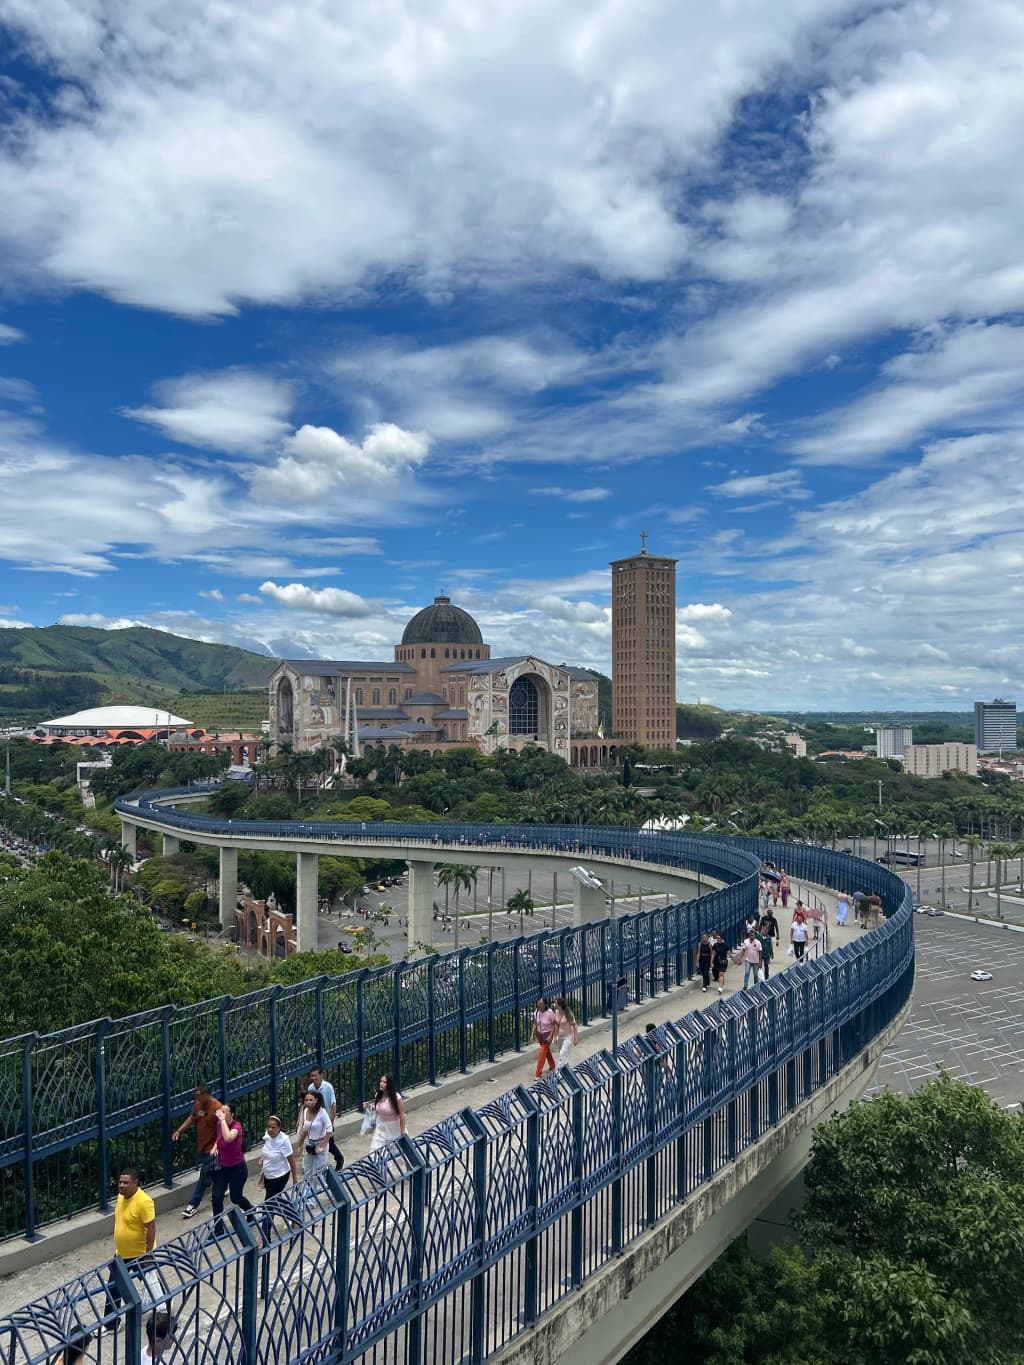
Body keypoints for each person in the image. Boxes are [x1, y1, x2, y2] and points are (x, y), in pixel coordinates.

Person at [173, 1083, 222, 1219]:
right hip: (202, 1146)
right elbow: (192, 1117)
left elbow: (223, 1128)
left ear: (207, 1094)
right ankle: (223, 1185)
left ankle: (193, 1205)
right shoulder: (198, 1105)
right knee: (215, 1173)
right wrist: (179, 1130)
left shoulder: (217, 1108)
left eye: (199, 1097)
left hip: (211, 1149)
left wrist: (216, 1146)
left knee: (203, 1177)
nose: (197, 1099)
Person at [210, 1101, 254, 1234]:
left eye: (225, 1112)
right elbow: (220, 1139)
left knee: (235, 1197)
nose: (221, 1114)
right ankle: (218, 1229)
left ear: (232, 1114)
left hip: (237, 1168)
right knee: (216, 1197)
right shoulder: (219, 1124)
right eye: (221, 1111)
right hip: (223, 1168)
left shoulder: (237, 1127)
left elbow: (228, 1137)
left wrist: (223, 1120)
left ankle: (250, 1210)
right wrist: (214, 1148)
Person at [307, 1065, 344, 1173]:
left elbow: (333, 1105)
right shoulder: (311, 1088)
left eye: (316, 1075)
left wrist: (331, 1121)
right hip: (315, 1120)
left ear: (321, 1075)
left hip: (325, 1119)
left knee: (329, 1142)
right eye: (312, 1076)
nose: (314, 1078)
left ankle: (339, 1158)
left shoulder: (328, 1087)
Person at [258, 1114, 297, 1199]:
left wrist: (295, 1179)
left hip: (280, 1175)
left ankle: (267, 1212)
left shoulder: (284, 1141)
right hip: (268, 1176)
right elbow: (267, 1149)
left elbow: (291, 1161)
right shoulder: (268, 1135)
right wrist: (262, 1157)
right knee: (276, 1199)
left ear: (279, 1128)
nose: (270, 1129)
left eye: (273, 1127)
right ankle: (289, 1211)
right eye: (268, 1127)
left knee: (269, 1201)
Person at [298, 1089, 333, 1177]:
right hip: (310, 1142)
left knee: (318, 1170)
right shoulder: (306, 1111)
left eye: (311, 1100)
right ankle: (307, 1189)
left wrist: (323, 1145)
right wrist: (300, 1144)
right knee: (307, 1169)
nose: (308, 1102)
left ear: (316, 1100)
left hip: (320, 1141)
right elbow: (305, 1129)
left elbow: (329, 1128)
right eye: (306, 1100)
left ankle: (319, 1188)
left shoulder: (322, 1112)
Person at [368, 1073, 407, 1151]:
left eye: (384, 1082)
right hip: (381, 1128)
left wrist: (402, 1132)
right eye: (381, 1081)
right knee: (375, 1150)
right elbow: (379, 1110)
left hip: (393, 1128)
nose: (381, 1084)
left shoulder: (396, 1098)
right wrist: (370, 1106)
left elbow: (402, 1115)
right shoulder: (378, 1096)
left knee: (396, 1154)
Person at [530, 997, 556, 1077]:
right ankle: (552, 1065)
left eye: (541, 1004)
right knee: (546, 1051)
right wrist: (532, 1034)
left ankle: (538, 1073)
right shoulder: (537, 1012)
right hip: (540, 1035)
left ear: (545, 1005)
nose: (539, 1005)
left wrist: (551, 1036)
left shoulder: (549, 1013)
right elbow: (535, 1023)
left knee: (542, 1053)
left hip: (547, 1035)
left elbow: (554, 1024)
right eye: (538, 1003)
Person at [553, 996, 579, 1069]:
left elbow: (574, 1025)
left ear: (559, 1005)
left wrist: (575, 1038)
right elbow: (556, 1025)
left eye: (556, 1003)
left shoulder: (568, 1013)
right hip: (560, 1036)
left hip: (568, 1036)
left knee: (562, 1053)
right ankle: (569, 1068)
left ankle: (558, 1071)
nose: (554, 1005)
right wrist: (555, 1037)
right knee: (566, 1053)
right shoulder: (557, 1012)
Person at [711, 930, 729, 995]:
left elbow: (729, 953)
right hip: (717, 962)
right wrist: (711, 962)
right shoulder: (715, 945)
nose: (717, 939)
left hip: (724, 962)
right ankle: (722, 984)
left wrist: (735, 961)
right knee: (720, 974)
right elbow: (713, 954)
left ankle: (720, 988)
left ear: (721, 939)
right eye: (717, 938)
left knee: (721, 973)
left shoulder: (725, 945)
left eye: (719, 938)